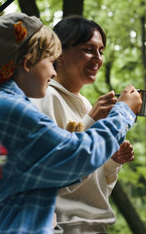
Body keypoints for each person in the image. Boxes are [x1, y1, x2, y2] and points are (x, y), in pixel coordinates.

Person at [0, 12, 141, 234]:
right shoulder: (14, 109)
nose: (54, 71)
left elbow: (63, 172)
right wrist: (124, 112)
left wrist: (111, 161)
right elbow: (77, 156)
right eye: (49, 61)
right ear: (27, 63)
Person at [31, 16, 134, 233]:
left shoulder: (85, 104)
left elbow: (91, 186)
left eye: (101, 51)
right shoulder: (45, 97)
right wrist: (91, 120)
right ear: (59, 53)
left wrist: (112, 163)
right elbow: (55, 168)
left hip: (93, 226)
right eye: (88, 49)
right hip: (62, 225)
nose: (98, 58)